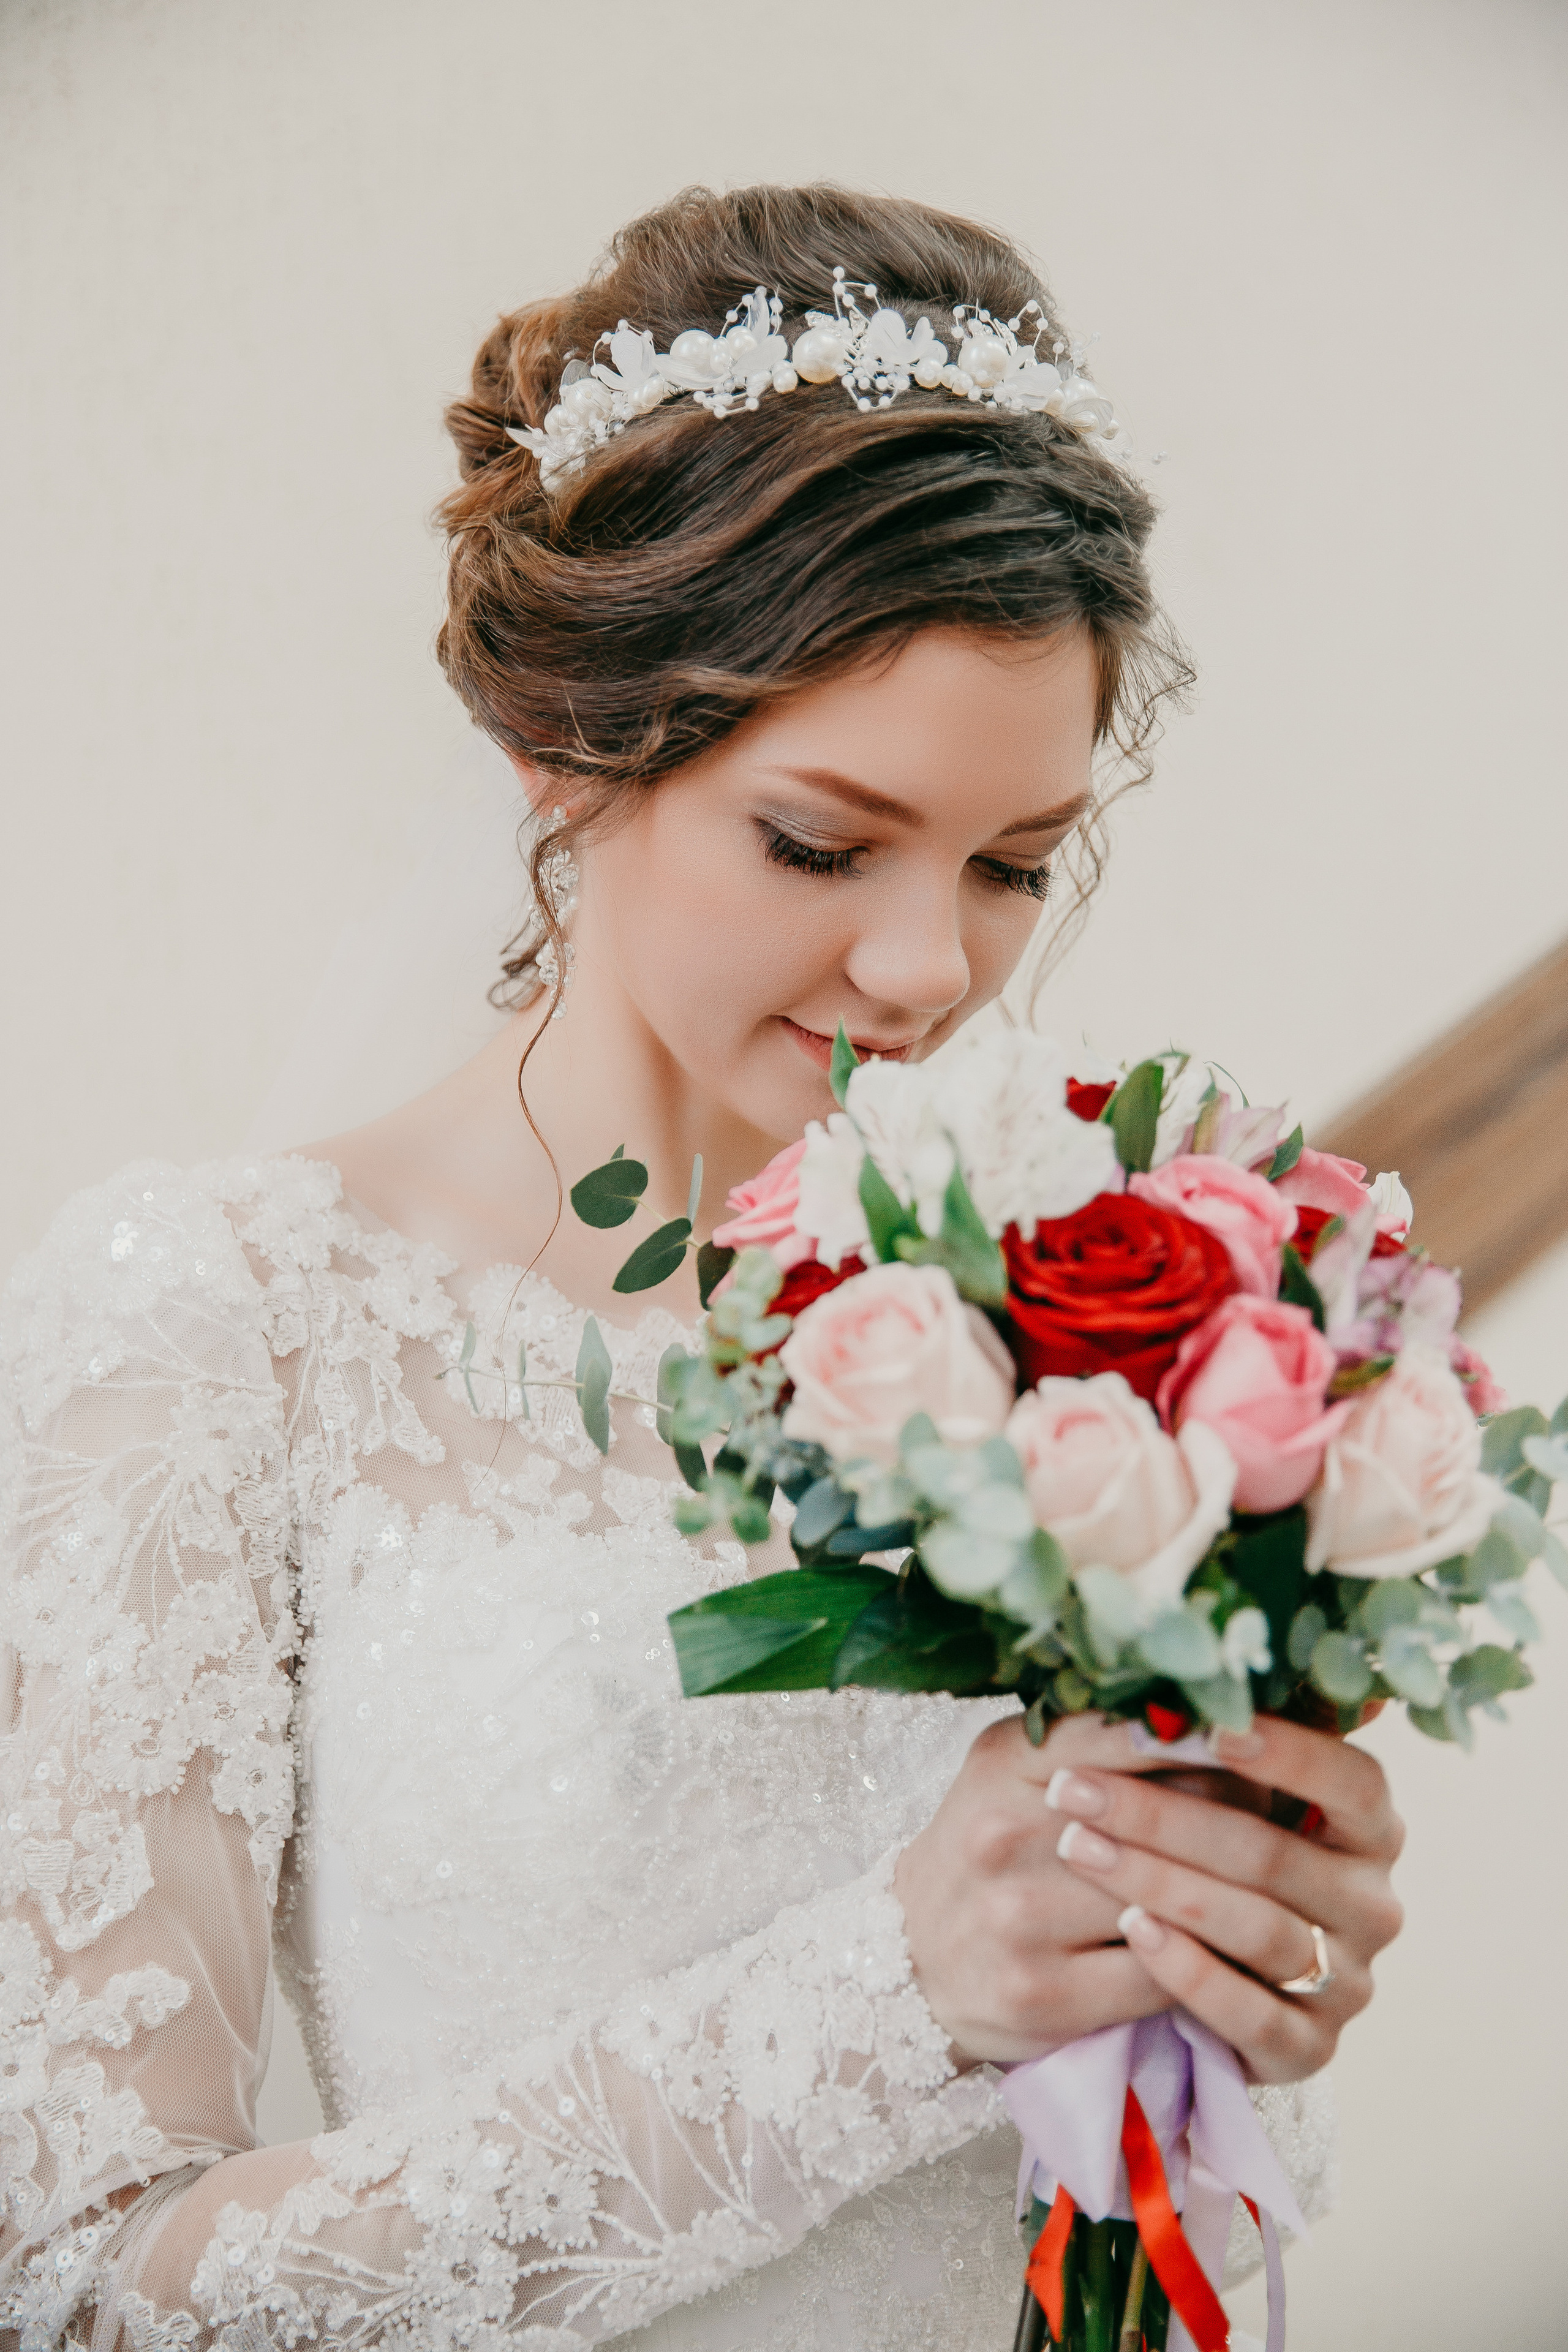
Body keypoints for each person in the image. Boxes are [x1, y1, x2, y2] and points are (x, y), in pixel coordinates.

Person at [0, 184, 1402, 2350]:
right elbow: (88, 2285)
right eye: (821, 844)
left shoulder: (1094, 1301)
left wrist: (1217, 1978)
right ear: (562, 745)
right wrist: (896, 1995)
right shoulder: (231, 1317)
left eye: (1017, 863)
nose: (936, 966)